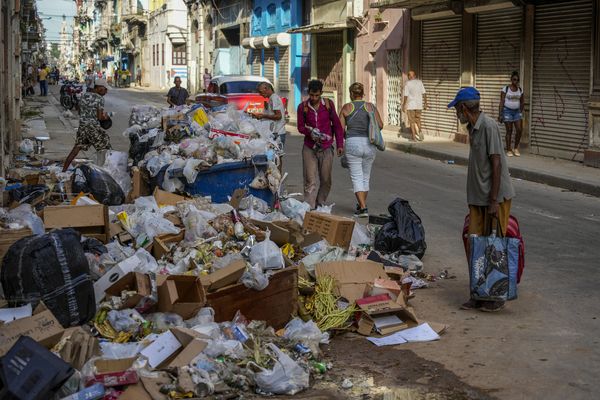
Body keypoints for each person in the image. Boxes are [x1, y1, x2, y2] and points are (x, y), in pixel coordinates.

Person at [448, 87, 515, 313]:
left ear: (464, 108)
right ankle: (478, 293)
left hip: (494, 198)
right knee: (476, 247)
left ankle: (496, 295)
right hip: (478, 198)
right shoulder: (473, 128)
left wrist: (494, 200)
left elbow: (496, 162)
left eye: (457, 108)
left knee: (494, 248)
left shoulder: (488, 126)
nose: (456, 112)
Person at [296, 80, 344, 209]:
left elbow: (337, 126)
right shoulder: (302, 107)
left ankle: (320, 203)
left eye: (317, 95)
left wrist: (340, 144)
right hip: (309, 148)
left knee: (326, 179)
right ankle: (310, 207)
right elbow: (300, 127)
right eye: (311, 95)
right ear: (308, 93)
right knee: (310, 179)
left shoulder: (329, 105)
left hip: (326, 147)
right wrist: (309, 131)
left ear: (321, 93)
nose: (314, 98)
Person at [339, 82, 383, 218]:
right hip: (369, 143)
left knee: (356, 177)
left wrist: (340, 144)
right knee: (365, 177)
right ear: (362, 93)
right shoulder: (370, 107)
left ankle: (363, 208)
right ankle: (361, 205)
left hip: (353, 143)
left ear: (351, 94)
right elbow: (380, 125)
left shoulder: (347, 108)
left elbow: (340, 130)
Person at [63, 78, 111, 172]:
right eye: (105, 89)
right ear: (99, 88)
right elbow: (100, 117)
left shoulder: (84, 95)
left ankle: (64, 170)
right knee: (106, 148)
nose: (106, 91)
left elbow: (80, 111)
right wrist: (106, 116)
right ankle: (108, 172)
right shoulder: (100, 99)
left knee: (76, 148)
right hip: (93, 128)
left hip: (82, 126)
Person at [251, 82, 286, 148]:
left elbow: (278, 116)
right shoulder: (271, 99)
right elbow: (271, 114)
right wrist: (261, 116)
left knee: (277, 155)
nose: (260, 94)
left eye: (260, 92)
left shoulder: (274, 98)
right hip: (274, 132)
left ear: (266, 88)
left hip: (278, 133)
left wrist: (263, 116)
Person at [499, 71, 524, 157]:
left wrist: (520, 112)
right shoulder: (505, 89)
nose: (515, 81)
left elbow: (522, 102)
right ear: (511, 79)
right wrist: (500, 114)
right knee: (509, 130)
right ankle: (509, 149)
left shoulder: (520, 90)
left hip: (517, 112)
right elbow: (502, 101)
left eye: (517, 80)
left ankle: (515, 148)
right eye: (514, 79)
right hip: (507, 111)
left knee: (519, 130)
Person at [402, 70, 428, 141]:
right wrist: (426, 103)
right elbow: (424, 93)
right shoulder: (420, 82)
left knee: (412, 122)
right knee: (418, 119)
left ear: (410, 77)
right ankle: (420, 131)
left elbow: (406, 95)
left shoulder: (407, 83)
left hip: (411, 105)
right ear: (415, 76)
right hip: (419, 105)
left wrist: (403, 105)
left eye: (409, 75)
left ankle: (413, 137)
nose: (409, 76)